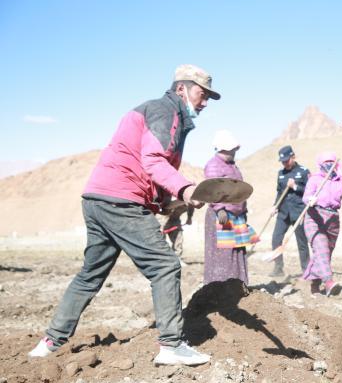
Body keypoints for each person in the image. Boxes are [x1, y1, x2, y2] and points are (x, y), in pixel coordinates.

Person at [28, 64, 219, 366]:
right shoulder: (166, 110)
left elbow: (141, 165)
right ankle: (172, 345)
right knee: (165, 265)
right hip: (120, 200)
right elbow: (153, 161)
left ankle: (50, 341)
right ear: (181, 88)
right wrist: (185, 190)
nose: (205, 102)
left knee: (90, 275)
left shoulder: (154, 110)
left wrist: (165, 202)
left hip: (97, 197)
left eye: (209, 97)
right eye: (202, 94)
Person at [203, 130, 256, 289]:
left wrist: (243, 209)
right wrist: (220, 209)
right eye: (232, 149)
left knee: (238, 252)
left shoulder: (232, 165)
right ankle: (221, 289)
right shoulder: (213, 166)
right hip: (223, 215)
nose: (235, 152)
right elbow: (213, 189)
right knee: (224, 255)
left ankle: (239, 286)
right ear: (224, 148)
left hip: (237, 215)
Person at [301, 152, 342, 295]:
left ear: (336, 164)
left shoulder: (340, 181)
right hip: (314, 217)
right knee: (321, 248)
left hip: (333, 219)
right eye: (325, 162)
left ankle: (314, 283)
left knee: (324, 254)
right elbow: (306, 196)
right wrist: (310, 199)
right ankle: (328, 282)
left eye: (331, 162)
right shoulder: (314, 180)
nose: (328, 164)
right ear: (320, 164)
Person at [270, 145, 310, 277]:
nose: (285, 163)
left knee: (302, 242)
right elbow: (279, 192)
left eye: (287, 160)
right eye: (282, 161)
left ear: (293, 157)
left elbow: (310, 192)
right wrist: (275, 206)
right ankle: (278, 268)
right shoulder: (281, 174)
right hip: (283, 213)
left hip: (298, 212)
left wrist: (295, 186)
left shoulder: (304, 172)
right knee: (276, 238)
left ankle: (306, 270)